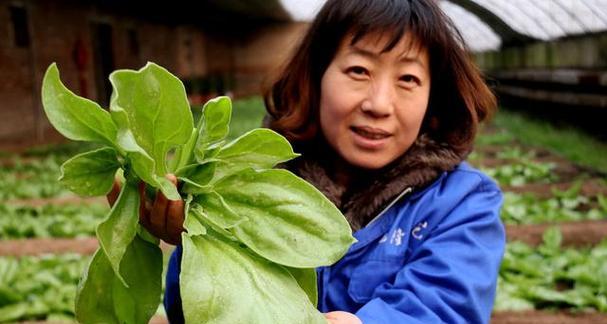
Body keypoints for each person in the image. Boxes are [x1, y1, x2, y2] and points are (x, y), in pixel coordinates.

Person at [109, 0, 505, 323]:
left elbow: (445, 308)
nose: (379, 104)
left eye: (408, 79)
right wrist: (196, 243)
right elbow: (193, 313)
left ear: (434, 97)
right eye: (358, 70)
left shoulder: (462, 204)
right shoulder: (250, 187)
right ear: (315, 78)